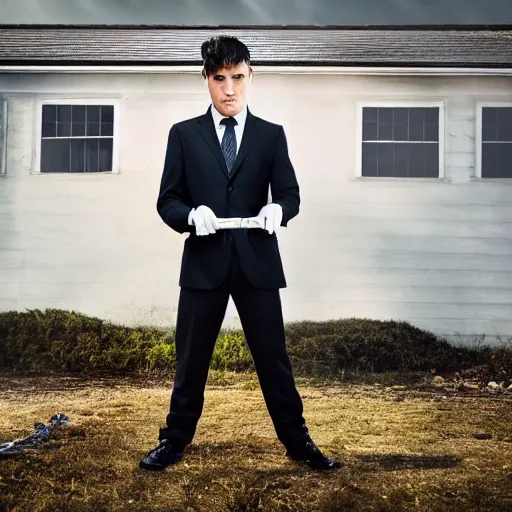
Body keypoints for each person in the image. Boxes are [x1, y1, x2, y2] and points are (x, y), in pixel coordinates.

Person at [139, 35, 341, 472]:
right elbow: (167, 200)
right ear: (206, 80)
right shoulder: (184, 135)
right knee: (191, 360)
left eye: (237, 78)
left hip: (257, 263)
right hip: (203, 264)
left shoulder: (271, 136)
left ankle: (298, 441)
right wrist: (192, 215)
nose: (229, 89)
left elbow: (290, 195)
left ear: (251, 76)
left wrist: (278, 209)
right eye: (219, 79)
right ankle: (173, 440)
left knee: (274, 358)